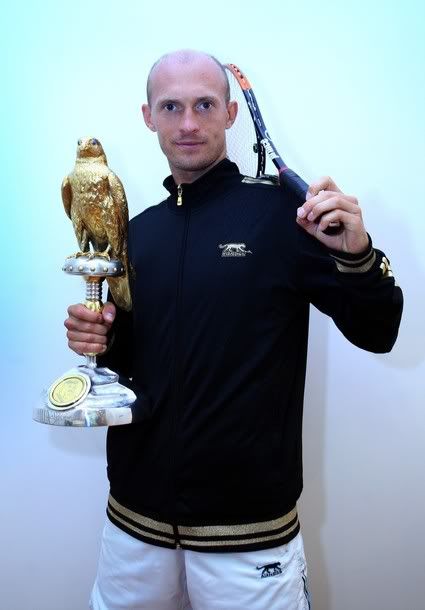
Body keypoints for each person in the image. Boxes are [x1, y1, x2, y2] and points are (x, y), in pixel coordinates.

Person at [65, 50, 403, 610]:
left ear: (230, 114)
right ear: (148, 117)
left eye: (204, 105)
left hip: (249, 538)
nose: (188, 123)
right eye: (171, 107)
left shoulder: (285, 218)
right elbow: (129, 370)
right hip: (133, 529)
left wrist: (358, 255)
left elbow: (379, 330)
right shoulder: (137, 233)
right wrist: (96, 342)